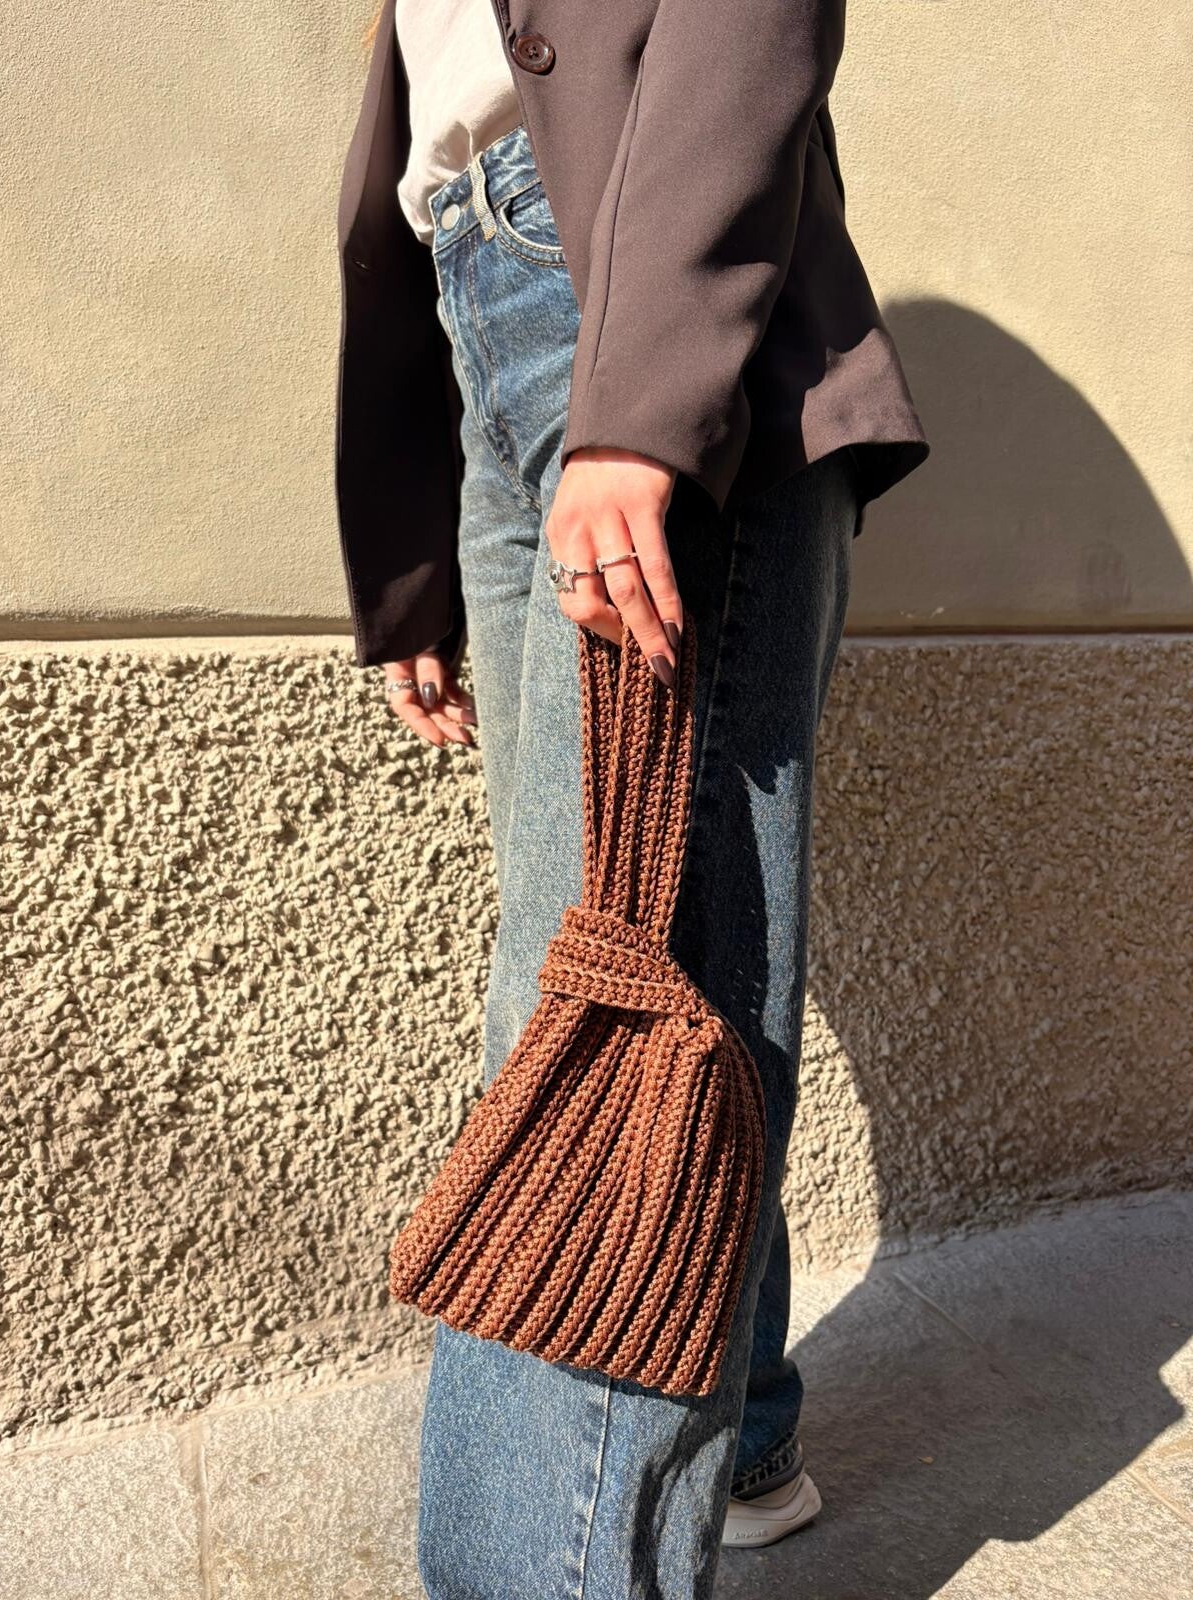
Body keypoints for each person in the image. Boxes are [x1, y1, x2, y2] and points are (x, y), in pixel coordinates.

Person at [334, 2, 928, 1594]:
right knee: (651, 964)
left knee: (613, 1007)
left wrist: (646, 392)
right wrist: (414, 552)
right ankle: (740, 1443)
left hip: (623, 280)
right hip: (484, 307)